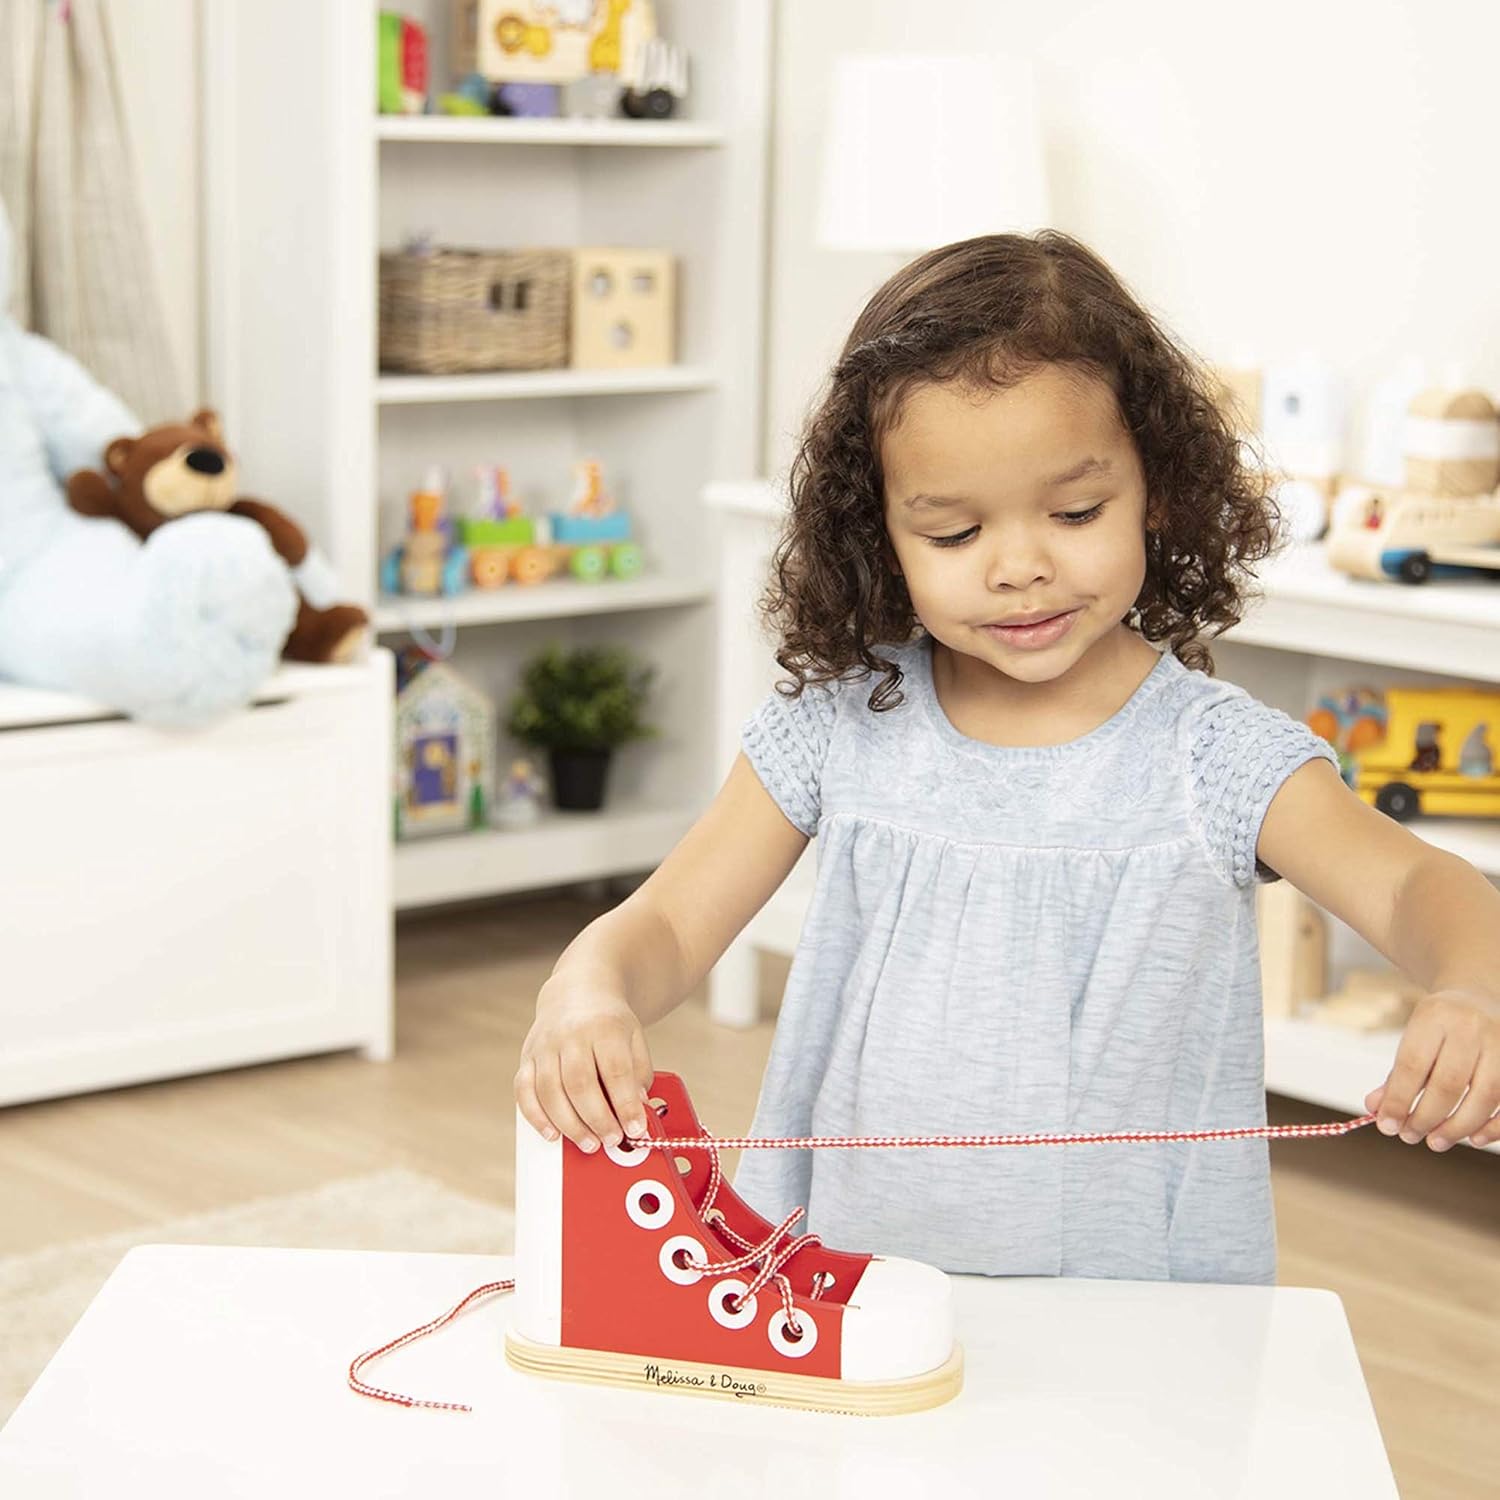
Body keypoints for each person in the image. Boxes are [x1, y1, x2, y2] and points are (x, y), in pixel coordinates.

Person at [514, 231, 1500, 1284]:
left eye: (1075, 513)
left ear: (1158, 489)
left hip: (1132, 1317)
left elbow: (1415, 887)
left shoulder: (1213, 758)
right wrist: (588, 990)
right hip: (848, 1294)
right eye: (952, 533)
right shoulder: (838, 730)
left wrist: (1478, 988)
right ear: (878, 534)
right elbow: (669, 923)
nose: (1020, 566)